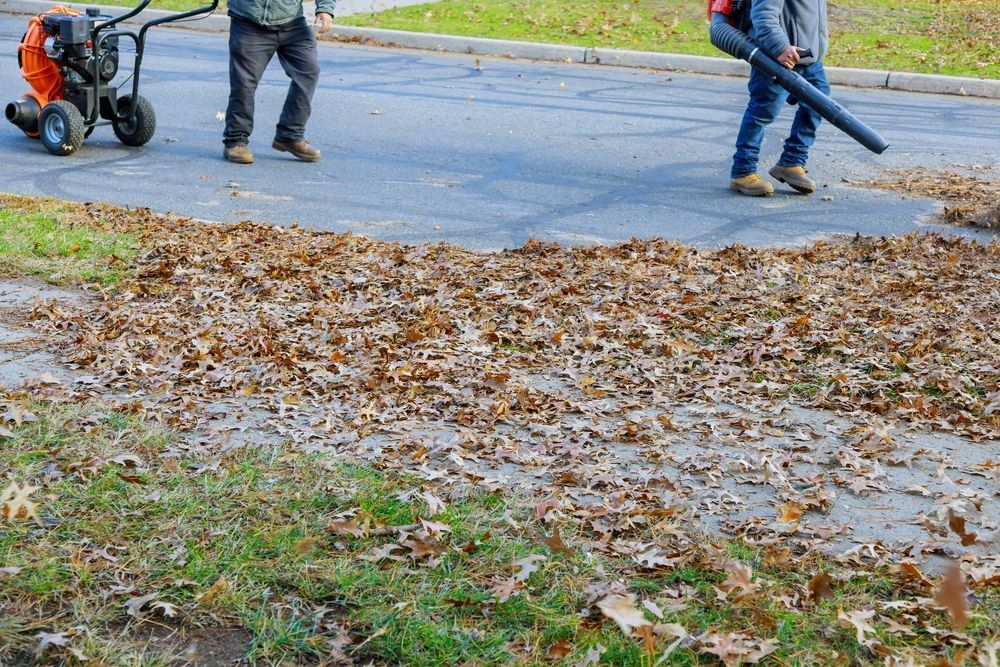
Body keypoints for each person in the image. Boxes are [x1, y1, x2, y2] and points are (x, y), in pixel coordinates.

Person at [729, 0, 829, 196]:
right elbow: (763, 14)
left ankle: (791, 162)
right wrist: (780, 47)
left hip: (807, 58)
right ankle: (742, 172)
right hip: (776, 57)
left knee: (818, 106)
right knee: (763, 112)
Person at [222, 0, 335, 164]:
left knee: (308, 72)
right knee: (244, 84)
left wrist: (325, 9)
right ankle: (236, 141)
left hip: (293, 23)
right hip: (249, 23)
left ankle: (290, 135)